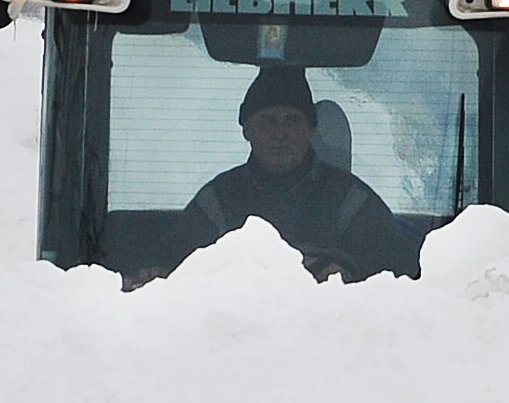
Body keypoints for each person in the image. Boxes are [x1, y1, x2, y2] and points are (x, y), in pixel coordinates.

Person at [168, 64, 418, 281]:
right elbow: (174, 274)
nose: (280, 133)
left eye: (291, 120)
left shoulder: (353, 202)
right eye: (267, 121)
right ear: (247, 130)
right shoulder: (215, 203)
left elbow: (396, 281)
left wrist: (345, 275)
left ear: (310, 130)